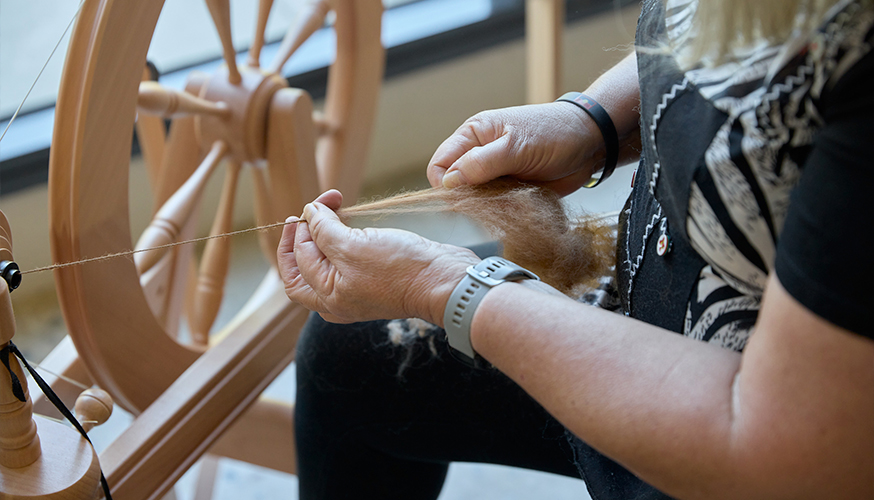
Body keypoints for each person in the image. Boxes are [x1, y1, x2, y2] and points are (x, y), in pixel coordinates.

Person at [277, 0, 874, 498]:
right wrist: (592, 121)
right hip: (661, 280)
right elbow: (711, 39)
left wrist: (442, 287)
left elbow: (780, 455)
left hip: (732, 429)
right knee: (349, 357)